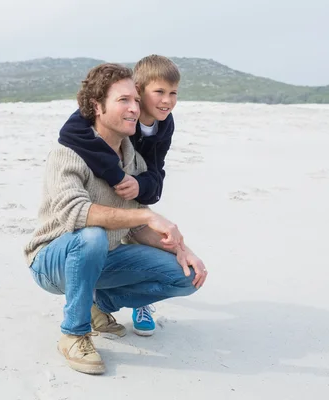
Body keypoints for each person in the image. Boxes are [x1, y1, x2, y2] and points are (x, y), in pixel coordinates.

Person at [23, 63, 207, 375]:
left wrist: (179, 248)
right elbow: (76, 214)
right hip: (51, 261)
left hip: (103, 258)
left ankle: (100, 306)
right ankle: (74, 333)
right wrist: (147, 213)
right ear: (97, 106)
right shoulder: (68, 153)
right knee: (91, 235)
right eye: (124, 100)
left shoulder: (132, 157)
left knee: (186, 275)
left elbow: (135, 226)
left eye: (136, 100)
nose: (135, 108)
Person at [57, 55, 180, 336]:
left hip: (135, 190)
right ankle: (85, 298)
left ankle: (135, 301)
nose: (167, 101)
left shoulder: (165, 124)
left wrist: (139, 185)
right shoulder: (117, 111)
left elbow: (156, 171)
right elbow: (70, 132)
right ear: (138, 89)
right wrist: (116, 174)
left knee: (144, 233)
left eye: (173, 93)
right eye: (159, 92)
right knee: (101, 236)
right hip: (102, 184)